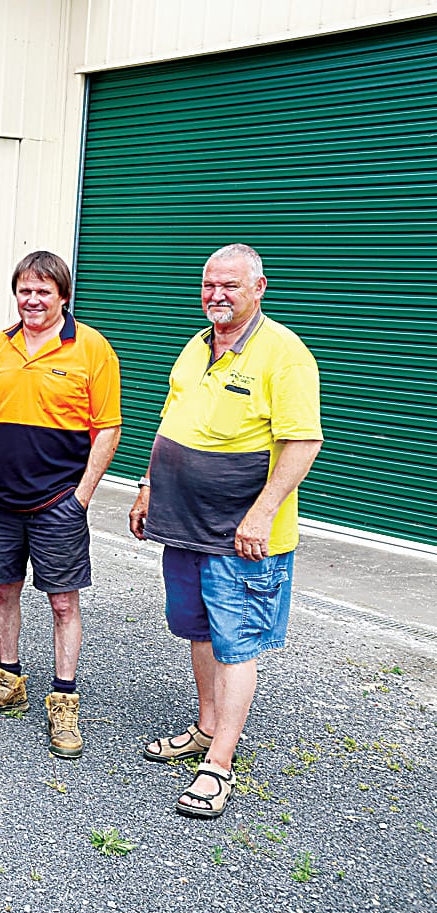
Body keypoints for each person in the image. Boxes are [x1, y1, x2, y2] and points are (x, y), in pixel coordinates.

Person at [130, 243, 322, 818]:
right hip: (185, 525)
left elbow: (302, 441)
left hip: (242, 533)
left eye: (230, 286)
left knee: (236, 644)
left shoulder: (285, 354)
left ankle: (219, 764)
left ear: (258, 288)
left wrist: (261, 513)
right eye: (209, 284)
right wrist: (147, 486)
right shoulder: (198, 345)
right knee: (200, 630)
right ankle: (207, 728)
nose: (216, 295)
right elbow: (172, 421)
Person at [0, 251, 121, 760]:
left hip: (59, 501)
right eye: (25, 290)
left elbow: (108, 428)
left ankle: (65, 698)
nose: (33, 299)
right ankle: (9, 680)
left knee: (62, 601)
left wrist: (83, 497)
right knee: (4, 592)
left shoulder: (92, 348)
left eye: (43, 291)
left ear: (63, 296)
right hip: (1, 499)